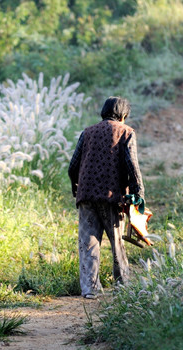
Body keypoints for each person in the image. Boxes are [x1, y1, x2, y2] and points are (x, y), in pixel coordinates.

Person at [68, 96, 145, 299]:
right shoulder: (126, 132)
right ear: (124, 115)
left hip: (86, 195)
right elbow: (132, 165)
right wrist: (138, 194)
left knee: (88, 243)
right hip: (113, 196)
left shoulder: (87, 132)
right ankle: (123, 287)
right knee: (117, 242)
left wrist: (76, 187)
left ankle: (90, 289)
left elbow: (73, 165)